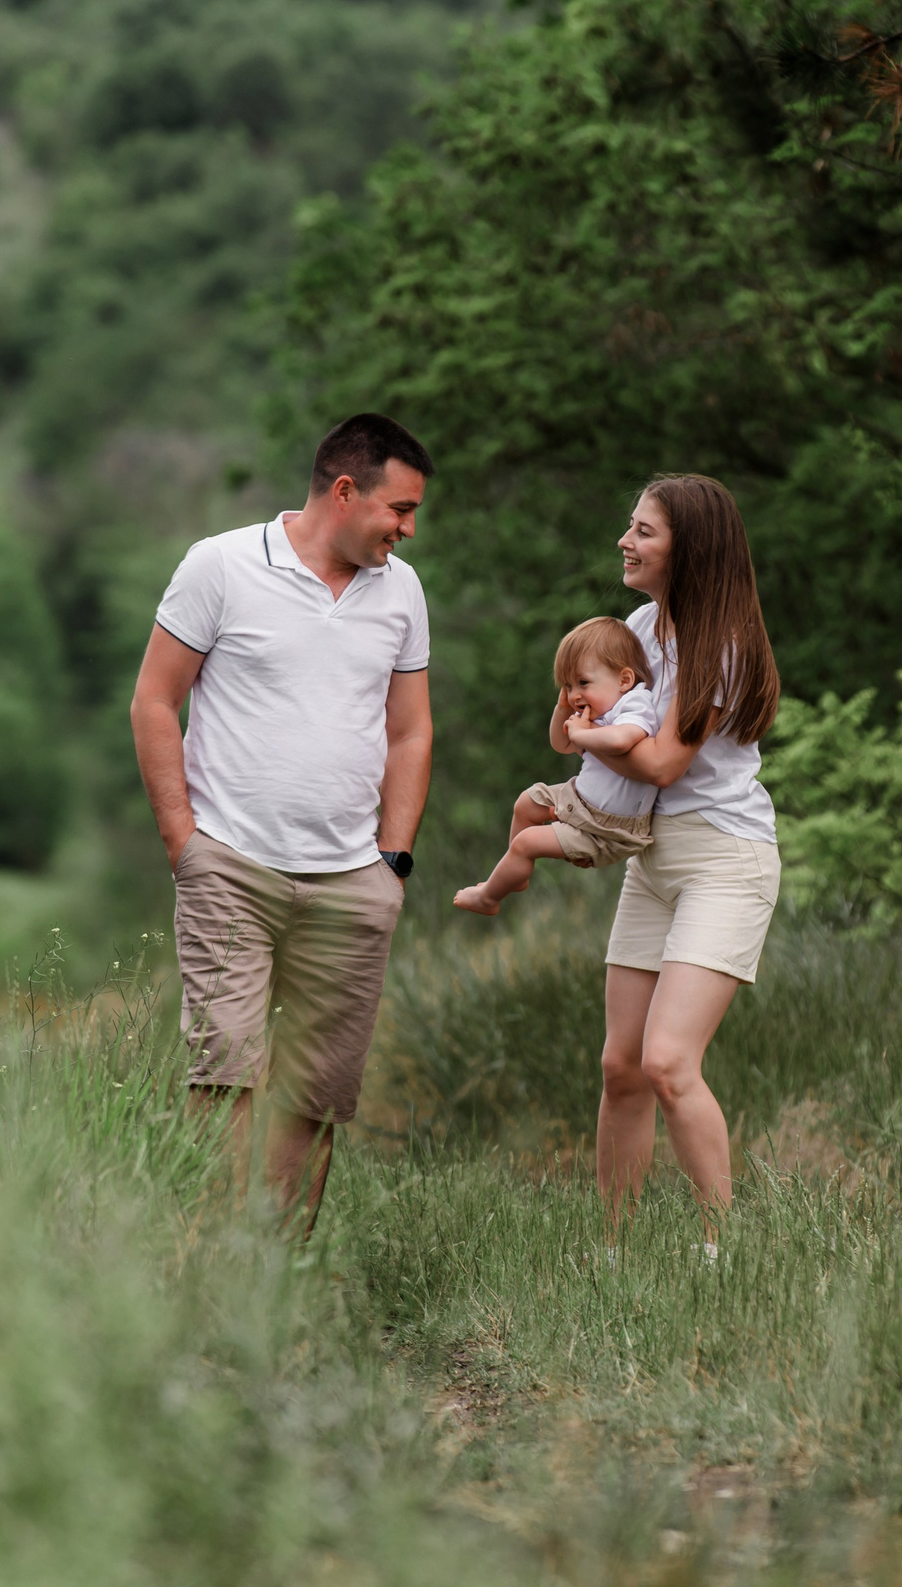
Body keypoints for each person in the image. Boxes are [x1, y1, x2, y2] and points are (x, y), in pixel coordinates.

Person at [127, 413, 433, 1231]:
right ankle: (206, 1264)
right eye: (399, 509)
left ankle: (276, 1275)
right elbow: (155, 700)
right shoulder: (220, 566)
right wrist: (184, 843)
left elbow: (411, 730)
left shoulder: (401, 589)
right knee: (224, 1073)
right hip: (229, 865)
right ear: (344, 490)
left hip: (350, 882)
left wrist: (392, 864)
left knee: (317, 1091)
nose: (406, 530)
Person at [569, 475, 782, 1252]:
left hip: (725, 860)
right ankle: (616, 1250)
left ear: (686, 549)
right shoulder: (638, 627)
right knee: (621, 1064)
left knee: (667, 1062)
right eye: (629, 526)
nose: (625, 541)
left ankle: (721, 1249)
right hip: (654, 859)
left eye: (643, 531)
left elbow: (659, 763)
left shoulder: (717, 643)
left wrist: (586, 739)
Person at [453, 617, 658, 916]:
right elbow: (560, 744)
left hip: (609, 827)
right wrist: (563, 710)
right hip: (580, 800)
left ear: (624, 680)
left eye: (583, 683)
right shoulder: (592, 712)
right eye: (568, 685)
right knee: (526, 803)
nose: (575, 694)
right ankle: (517, 870)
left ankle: (489, 896)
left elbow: (623, 740)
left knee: (527, 842)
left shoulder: (634, 704)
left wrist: (582, 733)